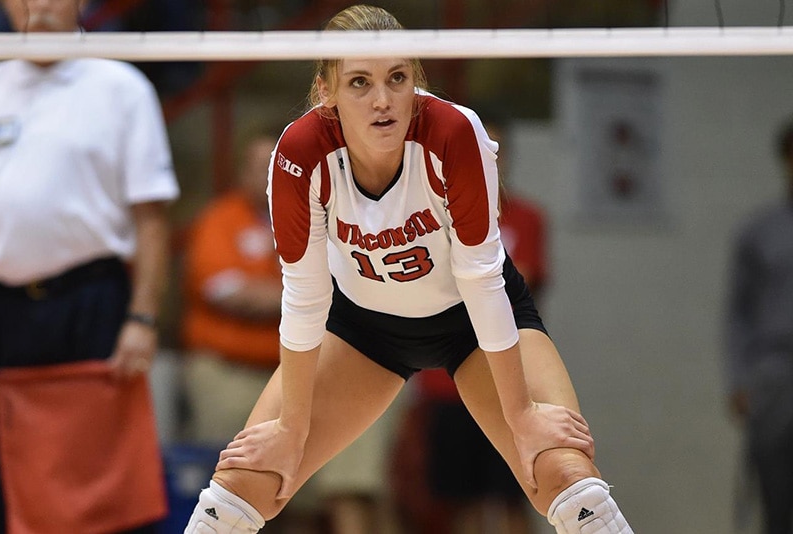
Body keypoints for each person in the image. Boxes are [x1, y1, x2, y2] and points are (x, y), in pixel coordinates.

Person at [185, 5, 633, 534]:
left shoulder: (454, 132)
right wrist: (291, 427)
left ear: (415, 80)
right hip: (363, 330)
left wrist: (522, 417)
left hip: (472, 321)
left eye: (397, 78)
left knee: (561, 473)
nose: (382, 100)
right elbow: (304, 297)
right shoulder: (300, 153)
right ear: (326, 92)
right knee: (244, 483)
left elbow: (482, 280)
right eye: (360, 82)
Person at [0, 0, 179, 532]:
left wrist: (143, 318)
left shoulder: (121, 87)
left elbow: (152, 219)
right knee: (7, 478)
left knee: (100, 481)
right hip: (4, 309)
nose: (38, 5)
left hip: (90, 302)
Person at [392, 122, 550, 534]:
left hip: (509, 378)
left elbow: (518, 285)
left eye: (491, 152)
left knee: (516, 492)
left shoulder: (527, 218)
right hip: (447, 382)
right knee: (457, 500)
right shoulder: (427, 220)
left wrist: (463, 283)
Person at [180, 124, 283, 448]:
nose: (270, 175)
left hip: (298, 373)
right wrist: (306, 296)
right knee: (228, 467)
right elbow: (226, 292)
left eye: (277, 164)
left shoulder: (319, 217)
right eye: (260, 166)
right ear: (242, 172)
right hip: (228, 370)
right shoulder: (219, 219)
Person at [725, 117, 793, 534]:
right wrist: (738, 378)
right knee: (775, 493)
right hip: (774, 372)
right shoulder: (759, 232)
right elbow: (738, 312)